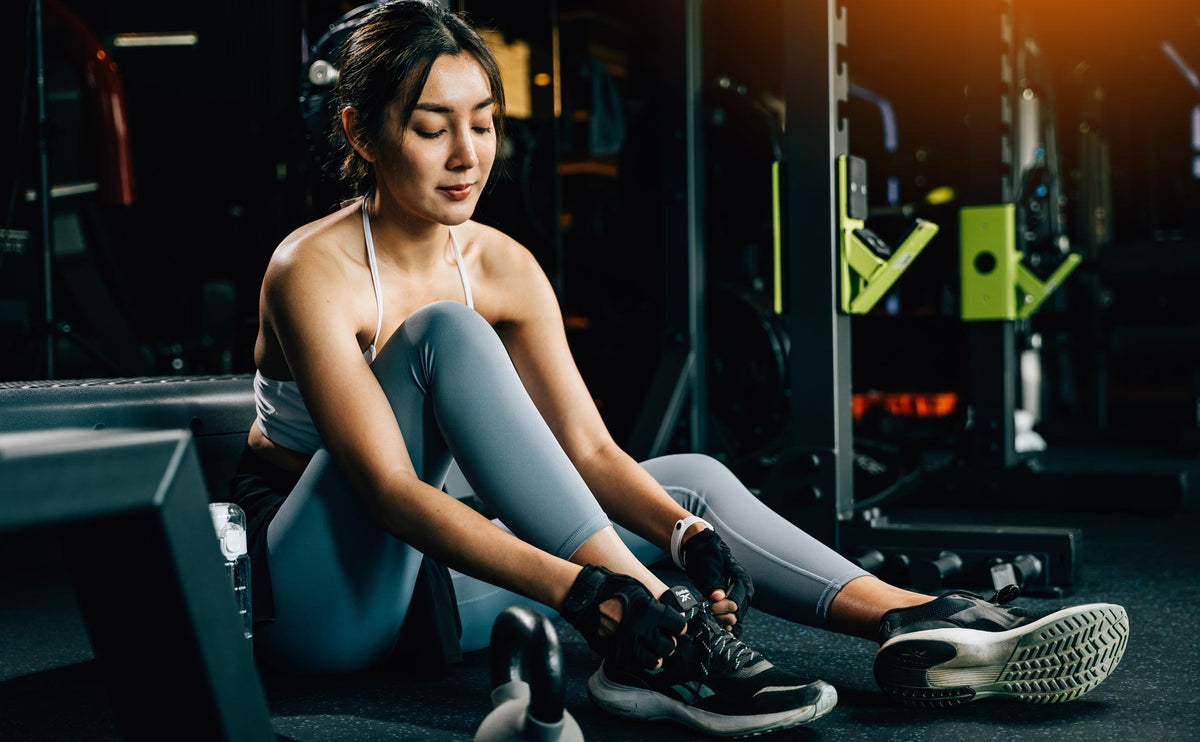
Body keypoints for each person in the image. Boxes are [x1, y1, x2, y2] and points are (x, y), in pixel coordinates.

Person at [229, 1, 1129, 736]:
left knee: (688, 486)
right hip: (318, 605)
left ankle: (909, 616)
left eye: (484, 124)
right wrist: (597, 593)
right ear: (363, 129)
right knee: (447, 338)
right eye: (432, 128)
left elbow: (588, 449)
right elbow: (387, 492)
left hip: (433, 584)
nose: (468, 156)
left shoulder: (501, 265)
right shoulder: (313, 269)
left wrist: (678, 541)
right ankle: (668, 637)